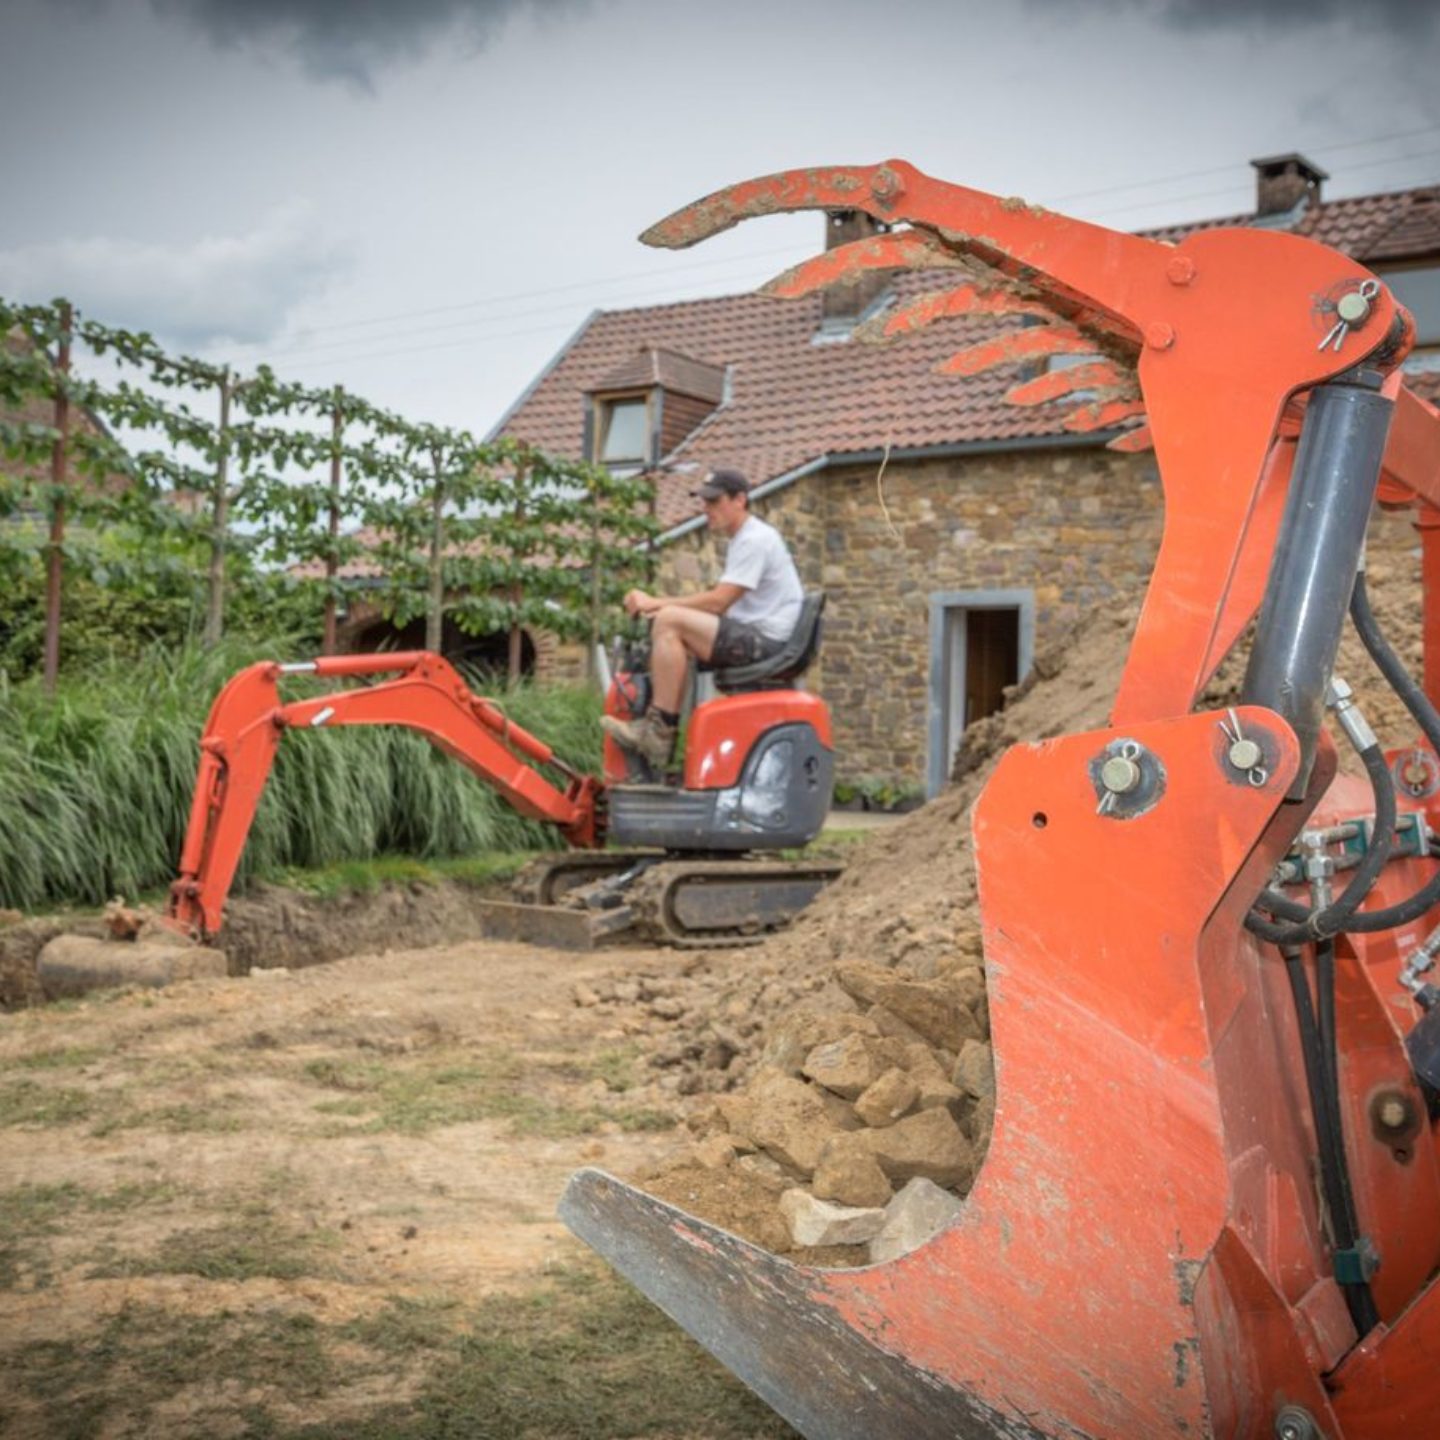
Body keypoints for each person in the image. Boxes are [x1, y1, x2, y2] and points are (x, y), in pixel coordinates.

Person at [602, 468, 804, 766]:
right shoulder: (745, 538)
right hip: (758, 635)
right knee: (671, 634)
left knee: (670, 621)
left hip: (766, 641)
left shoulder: (754, 540)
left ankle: (658, 734)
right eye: (705, 502)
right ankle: (659, 731)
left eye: (714, 501)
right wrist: (658, 608)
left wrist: (655, 604)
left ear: (740, 500)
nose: (707, 509)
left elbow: (718, 602)